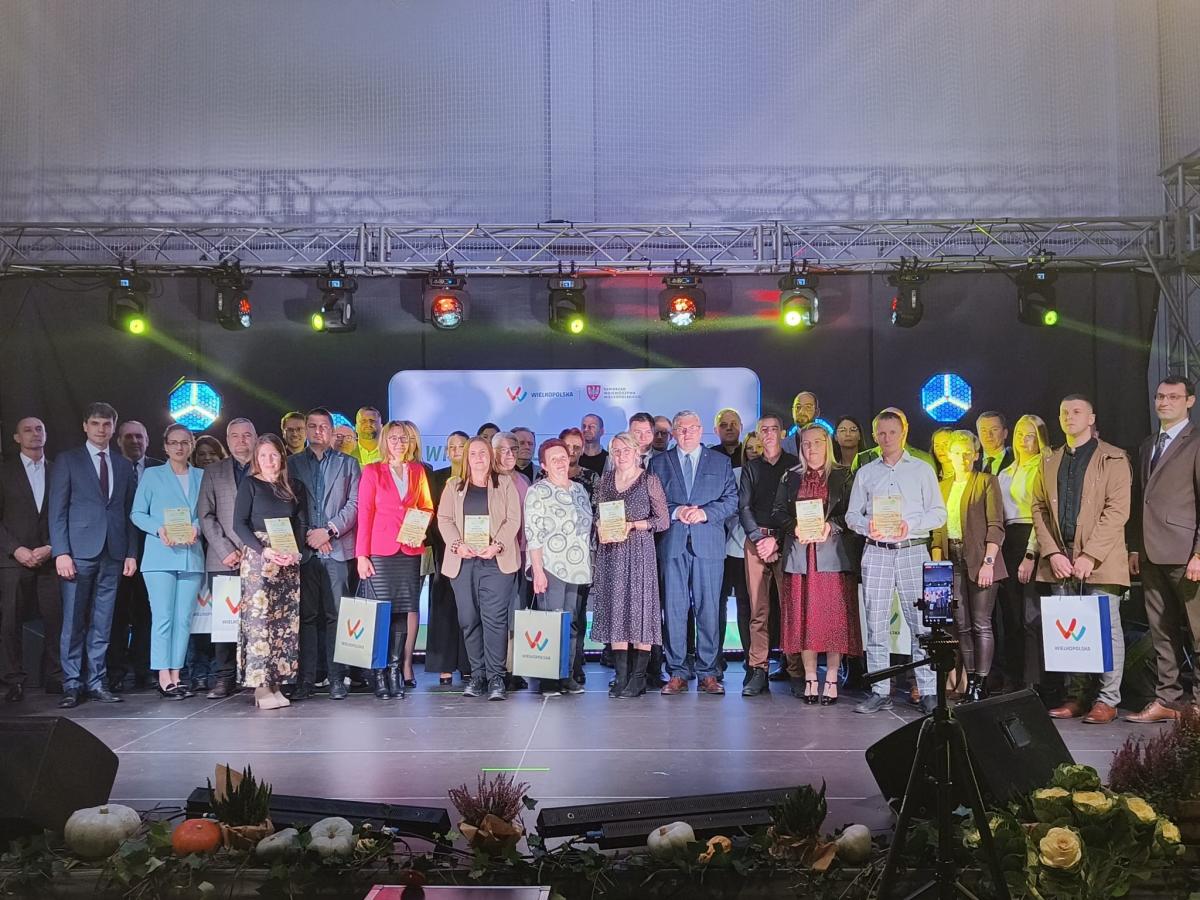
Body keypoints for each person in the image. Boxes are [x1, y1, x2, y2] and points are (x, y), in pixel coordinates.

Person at [1032, 394, 1131, 726]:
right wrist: (1052, 552)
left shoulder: (1114, 458)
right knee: (1069, 629)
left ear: (1091, 418)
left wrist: (1090, 554)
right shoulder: (1049, 460)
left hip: (1101, 559)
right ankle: (1076, 696)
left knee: (1106, 629)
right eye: (1064, 412)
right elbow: (1038, 508)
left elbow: (1117, 511)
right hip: (1061, 558)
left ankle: (1107, 699)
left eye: (1076, 411)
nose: (1069, 417)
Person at [846, 408, 946, 715]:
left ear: (903, 433)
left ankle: (928, 691)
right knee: (875, 624)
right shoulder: (866, 472)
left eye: (892, 432)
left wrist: (910, 525)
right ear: (874, 436)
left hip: (912, 549)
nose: (887, 438)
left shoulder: (922, 469)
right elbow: (851, 515)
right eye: (881, 433)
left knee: (921, 624)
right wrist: (868, 526)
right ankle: (880, 690)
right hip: (876, 550)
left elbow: (939, 513)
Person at [49, 402, 139, 708]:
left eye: (107, 424)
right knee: (74, 621)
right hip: (78, 553)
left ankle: (97, 682)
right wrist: (61, 552)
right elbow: (57, 511)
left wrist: (130, 552)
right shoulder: (68, 460)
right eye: (96, 424)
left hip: (113, 552)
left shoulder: (123, 464)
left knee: (104, 622)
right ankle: (72, 684)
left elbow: (128, 513)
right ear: (85, 426)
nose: (101, 429)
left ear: (114, 429)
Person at [650, 410, 739, 695]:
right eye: (681, 428)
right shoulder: (658, 463)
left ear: (702, 430)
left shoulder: (720, 462)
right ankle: (677, 671)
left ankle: (708, 672)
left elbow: (731, 500)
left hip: (708, 544)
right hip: (673, 543)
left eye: (692, 428)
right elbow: (653, 502)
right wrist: (677, 511)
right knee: (674, 610)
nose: (687, 433)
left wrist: (705, 513)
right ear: (674, 433)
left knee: (709, 609)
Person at [1127, 376, 1200, 723]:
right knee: (1162, 632)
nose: (1164, 402)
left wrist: (1199, 554)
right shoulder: (1147, 445)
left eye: (1173, 397)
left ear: (1190, 401)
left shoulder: (1196, 442)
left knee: (1198, 631)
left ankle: (1198, 703)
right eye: (1160, 396)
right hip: (1151, 552)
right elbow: (1142, 500)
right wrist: (1134, 548)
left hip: (1186, 555)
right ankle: (1167, 699)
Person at [772, 423, 861, 705]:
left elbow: (853, 513)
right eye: (806, 443)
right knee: (804, 620)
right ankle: (810, 677)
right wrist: (793, 527)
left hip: (832, 557)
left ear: (828, 444)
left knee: (833, 620)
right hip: (800, 558)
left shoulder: (843, 475)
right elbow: (778, 512)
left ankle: (831, 678)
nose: (811, 448)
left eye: (817, 442)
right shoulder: (790, 476)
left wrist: (831, 526)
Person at [437, 436, 521, 701]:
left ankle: (496, 677)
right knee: (469, 619)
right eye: (473, 453)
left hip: (496, 561)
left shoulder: (504, 483)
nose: (478, 458)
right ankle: (477, 675)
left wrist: (497, 545)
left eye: (483, 453)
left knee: (494, 620)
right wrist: (457, 544)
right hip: (463, 562)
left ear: (491, 456)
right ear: (466, 458)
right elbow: (444, 519)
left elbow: (513, 519)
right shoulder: (453, 486)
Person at [356, 420, 434, 700]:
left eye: (403, 439)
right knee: (382, 614)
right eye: (393, 439)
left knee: (402, 612)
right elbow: (365, 513)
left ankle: (394, 670)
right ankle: (378, 673)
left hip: (409, 551)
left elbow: (426, 506)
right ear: (385, 442)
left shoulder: (417, 471)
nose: (399, 443)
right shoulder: (372, 471)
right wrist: (362, 555)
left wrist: (419, 530)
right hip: (380, 551)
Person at [286, 407, 361, 700]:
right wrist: (311, 535)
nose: (318, 431)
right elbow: (288, 503)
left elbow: (354, 504)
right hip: (304, 551)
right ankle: (305, 679)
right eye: (313, 426)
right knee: (306, 616)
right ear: (306, 430)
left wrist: (329, 531)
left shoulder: (349, 463)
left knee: (337, 615)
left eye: (324, 427)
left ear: (331, 431)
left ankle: (337, 678)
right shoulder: (292, 464)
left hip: (337, 549)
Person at [591, 432, 670, 698]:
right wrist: (600, 525)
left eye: (626, 450)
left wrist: (634, 525)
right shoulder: (605, 480)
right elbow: (598, 513)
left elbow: (663, 520)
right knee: (616, 610)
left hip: (639, 552)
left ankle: (638, 679)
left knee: (641, 610)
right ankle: (621, 676)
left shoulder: (649, 480)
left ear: (637, 453)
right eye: (616, 450)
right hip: (611, 553)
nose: (621, 455)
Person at [930, 430, 1006, 703]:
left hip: (981, 559)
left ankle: (980, 683)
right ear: (949, 455)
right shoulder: (942, 486)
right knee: (961, 625)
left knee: (981, 624)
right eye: (956, 452)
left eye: (967, 453)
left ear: (975, 455)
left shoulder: (986, 481)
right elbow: (937, 530)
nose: (961, 458)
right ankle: (969, 679)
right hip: (952, 560)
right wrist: (938, 565)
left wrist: (989, 562)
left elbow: (996, 526)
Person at [130, 424, 205, 699]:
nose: (179, 447)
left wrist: (196, 527)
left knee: (183, 619)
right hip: (160, 556)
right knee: (163, 617)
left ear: (192, 444)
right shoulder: (152, 475)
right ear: (165, 446)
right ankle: (163, 675)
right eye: (174, 442)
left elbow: (207, 513)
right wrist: (159, 529)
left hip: (191, 555)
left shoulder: (201, 476)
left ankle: (177, 673)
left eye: (184, 442)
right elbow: (137, 513)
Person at [233, 434, 306, 710]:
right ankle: (261, 687)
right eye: (263, 455)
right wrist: (263, 550)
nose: (268, 460)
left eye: (273, 454)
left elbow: (300, 523)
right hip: (260, 559)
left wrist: (297, 552)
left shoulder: (295, 486)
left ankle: (277, 682)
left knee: (284, 624)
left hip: (287, 558)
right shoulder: (250, 484)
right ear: (256, 459)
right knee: (260, 622)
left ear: (282, 456)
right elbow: (239, 524)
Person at [524, 438, 593, 696]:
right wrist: (538, 571)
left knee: (571, 622)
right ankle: (549, 679)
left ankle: (567, 676)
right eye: (554, 459)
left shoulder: (579, 489)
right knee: (552, 623)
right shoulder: (537, 491)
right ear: (543, 465)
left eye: (563, 457)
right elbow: (533, 533)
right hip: (550, 566)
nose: (561, 462)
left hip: (577, 568)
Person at [0, 417, 62, 701]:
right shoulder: (5, 471)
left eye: (39, 429)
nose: (34, 434)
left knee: (56, 619)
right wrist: (16, 549)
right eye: (27, 430)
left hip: (50, 558)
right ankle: (13, 680)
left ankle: (55, 676)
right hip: (13, 559)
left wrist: (52, 546)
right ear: (16, 438)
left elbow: (67, 514)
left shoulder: (58, 470)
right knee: (10, 621)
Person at [737, 414, 798, 695]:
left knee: (790, 609)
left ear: (782, 433)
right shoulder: (751, 468)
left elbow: (797, 507)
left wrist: (778, 541)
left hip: (788, 541)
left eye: (774, 429)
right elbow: (744, 507)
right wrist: (759, 539)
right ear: (758, 434)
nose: (770, 433)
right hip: (757, 542)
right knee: (758, 611)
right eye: (764, 429)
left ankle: (795, 669)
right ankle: (758, 669)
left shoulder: (795, 465)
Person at [196, 417, 256, 699]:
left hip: (259, 558)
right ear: (228, 440)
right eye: (235, 436)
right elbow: (205, 515)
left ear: (255, 438)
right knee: (225, 621)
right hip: (224, 558)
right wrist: (226, 550)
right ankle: (225, 677)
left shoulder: (267, 466)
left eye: (247, 435)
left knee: (258, 622)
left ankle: (255, 675)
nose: (241, 441)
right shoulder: (213, 471)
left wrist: (255, 549)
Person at [995, 414, 1052, 695]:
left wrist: (1031, 553)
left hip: (1033, 540)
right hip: (1008, 542)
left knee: (1032, 617)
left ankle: (1036, 682)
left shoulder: (1044, 465)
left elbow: (1042, 513)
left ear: (1040, 438)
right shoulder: (1005, 471)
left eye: (1030, 435)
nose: (1023, 440)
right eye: (1020, 434)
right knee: (1011, 617)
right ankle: (1013, 678)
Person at [108, 418, 162, 691]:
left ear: (148, 440)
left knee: (147, 613)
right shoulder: (110, 467)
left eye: (139, 436)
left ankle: (145, 669)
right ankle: (115, 672)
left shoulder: (159, 469)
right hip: (116, 552)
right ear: (118, 441)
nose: (134, 441)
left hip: (154, 549)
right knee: (116, 613)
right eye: (128, 436)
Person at [424, 431, 471, 685]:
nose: (456, 450)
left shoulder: (475, 477)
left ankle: (467, 664)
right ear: (445, 451)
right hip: (442, 549)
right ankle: (444, 665)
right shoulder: (436, 477)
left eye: (461, 446)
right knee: (443, 606)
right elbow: (428, 511)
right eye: (451, 446)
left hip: (471, 550)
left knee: (468, 608)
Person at [851, 409, 937, 473]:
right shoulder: (862, 459)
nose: (888, 437)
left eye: (893, 431)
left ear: (905, 428)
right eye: (883, 431)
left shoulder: (925, 460)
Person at [781, 391, 820, 456]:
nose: (802, 412)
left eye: (808, 407)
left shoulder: (828, 443)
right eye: (798, 407)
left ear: (817, 412)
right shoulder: (782, 446)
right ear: (792, 412)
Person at [976, 411, 1014, 476]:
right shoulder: (971, 463)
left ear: (1005, 433)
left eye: (994, 429)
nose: (989, 435)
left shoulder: (1015, 462)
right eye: (984, 430)